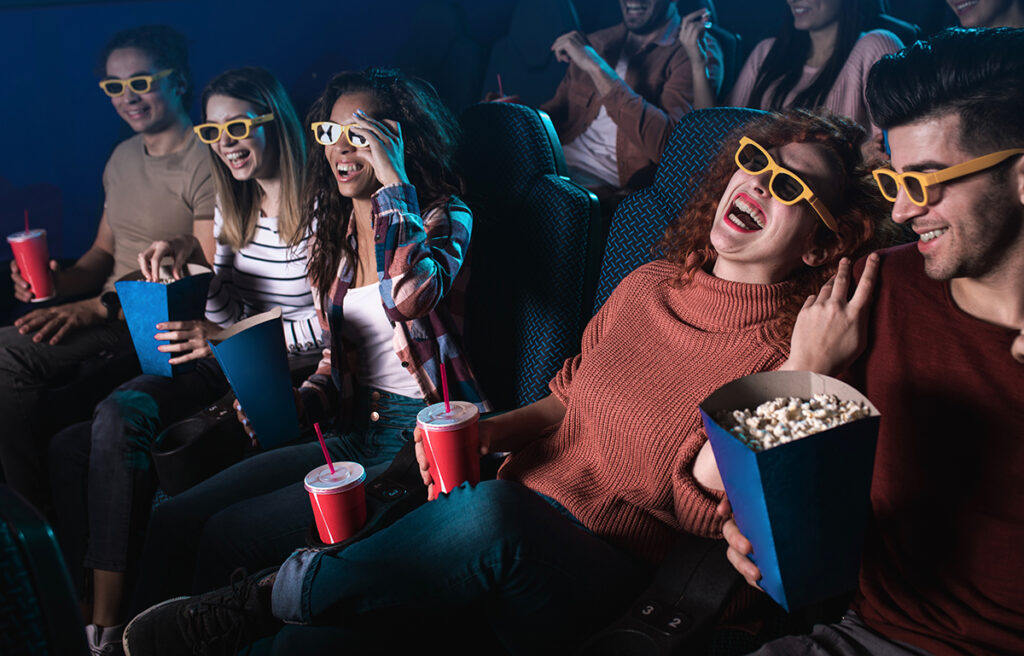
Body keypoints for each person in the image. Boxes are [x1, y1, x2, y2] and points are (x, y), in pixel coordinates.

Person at [122, 107, 893, 656]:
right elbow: (569, 401)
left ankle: (264, 593)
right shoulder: (650, 283)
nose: (759, 185)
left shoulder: (795, 355)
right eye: (756, 164)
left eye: (793, 188)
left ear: (825, 248)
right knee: (313, 644)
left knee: (492, 513)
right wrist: (493, 431)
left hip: (601, 576)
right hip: (485, 528)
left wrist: (803, 372)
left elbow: (712, 502)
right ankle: (273, 613)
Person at [125, 67, 484, 620]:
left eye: (359, 135)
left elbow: (409, 297)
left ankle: (205, 634)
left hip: (417, 442)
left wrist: (393, 180)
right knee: (173, 513)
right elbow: (332, 362)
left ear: (396, 138)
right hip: (351, 428)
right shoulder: (338, 237)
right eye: (329, 134)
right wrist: (297, 402)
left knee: (228, 536)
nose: (339, 150)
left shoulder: (442, 217)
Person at [718, 28, 1024, 655]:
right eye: (897, 182)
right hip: (878, 639)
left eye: (929, 181)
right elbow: (797, 493)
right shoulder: (872, 289)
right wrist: (755, 522)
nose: (907, 212)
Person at [47, 66, 320, 655]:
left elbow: (331, 324)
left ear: (277, 122)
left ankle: (109, 624)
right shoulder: (234, 202)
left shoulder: (320, 207)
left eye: (240, 126)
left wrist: (223, 333)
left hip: (275, 368)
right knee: (74, 443)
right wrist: (189, 267)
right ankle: (90, 606)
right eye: (213, 132)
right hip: (221, 352)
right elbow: (230, 300)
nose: (225, 143)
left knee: (121, 417)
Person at [0, 25, 215, 512]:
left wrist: (97, 308)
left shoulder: (206, 156)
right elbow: (100, 255)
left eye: (141, 81)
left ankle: (32, 525)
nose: (128, 97)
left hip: (150, 320)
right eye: (115, 86)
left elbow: (203, 269)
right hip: (108, 306)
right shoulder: (120, 158)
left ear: (178, 81)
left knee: (6, 354)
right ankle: (34, 514)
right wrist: (57, 282)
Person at [540, 0, 724, 203]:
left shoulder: (694, 51)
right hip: (555, 166)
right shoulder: (598, 42)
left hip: (602, 189)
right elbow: (554, 115)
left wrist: (596, 68)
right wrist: (514, 118)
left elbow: (671, 148)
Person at [728, 0, 903, 160]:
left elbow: (893, 151)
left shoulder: (875, 46)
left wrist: (860, 157)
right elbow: (724, 134)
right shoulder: (767, 52)